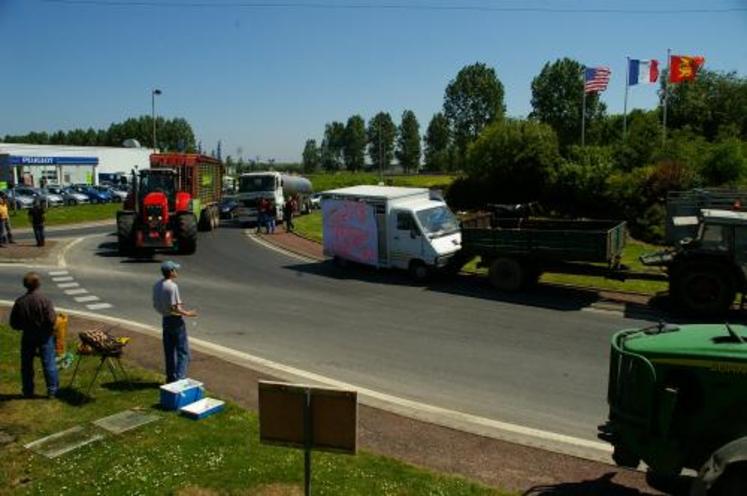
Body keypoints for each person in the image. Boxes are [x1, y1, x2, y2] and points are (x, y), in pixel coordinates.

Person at [9, 272, 58, 398]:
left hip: (28, 335)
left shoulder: (20, 302)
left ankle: (28, 390)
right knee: (49, 363)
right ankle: (52, 390)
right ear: (38, 284)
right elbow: (52, 320)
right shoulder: (45, 301)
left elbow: (14, 323)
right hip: (44, 335)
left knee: (26, 364)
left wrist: (24, 326)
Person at [152, 261, 197, 383]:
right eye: (175, 270)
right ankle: (180, 378)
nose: (176, 272)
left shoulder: (157, 285)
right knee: (183, 352)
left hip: (165, 319)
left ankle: (170, 377)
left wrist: (166, 310)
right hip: (175, 321)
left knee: (169, 351)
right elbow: (175, 308)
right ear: (171, 272)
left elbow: (156, 304)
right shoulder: (172, 286)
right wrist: (188, 313)